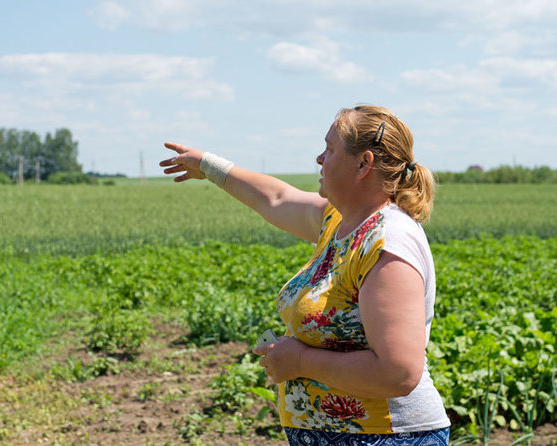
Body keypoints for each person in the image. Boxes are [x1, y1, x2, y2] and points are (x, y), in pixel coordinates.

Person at [159, 104, 450, 445]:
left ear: (363, 164)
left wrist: (301, 360)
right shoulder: (339, 222)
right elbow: (277, 198)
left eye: (330, 149)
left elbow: (398, 373)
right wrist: (208, 165)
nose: (319, 159)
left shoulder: (389, 243)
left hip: (387, 437)